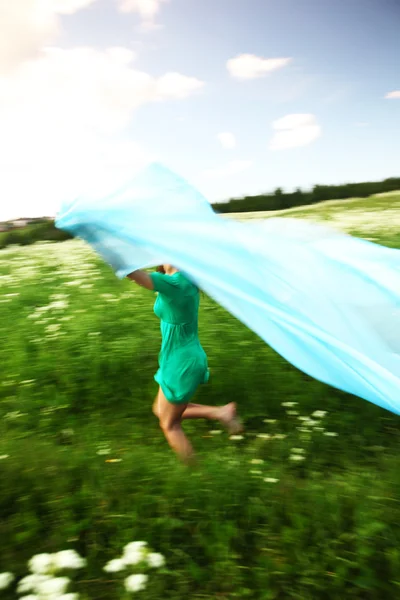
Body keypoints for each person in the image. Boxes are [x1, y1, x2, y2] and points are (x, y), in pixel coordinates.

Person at [127, 265, 243, 463]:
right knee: (160, 410)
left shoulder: (176, 283)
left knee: (170, 425)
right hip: (177, 358)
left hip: (181, 363)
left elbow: (132, 273)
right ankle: (220, 412)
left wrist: (100, 242)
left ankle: (193, 475)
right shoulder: (186, 279)